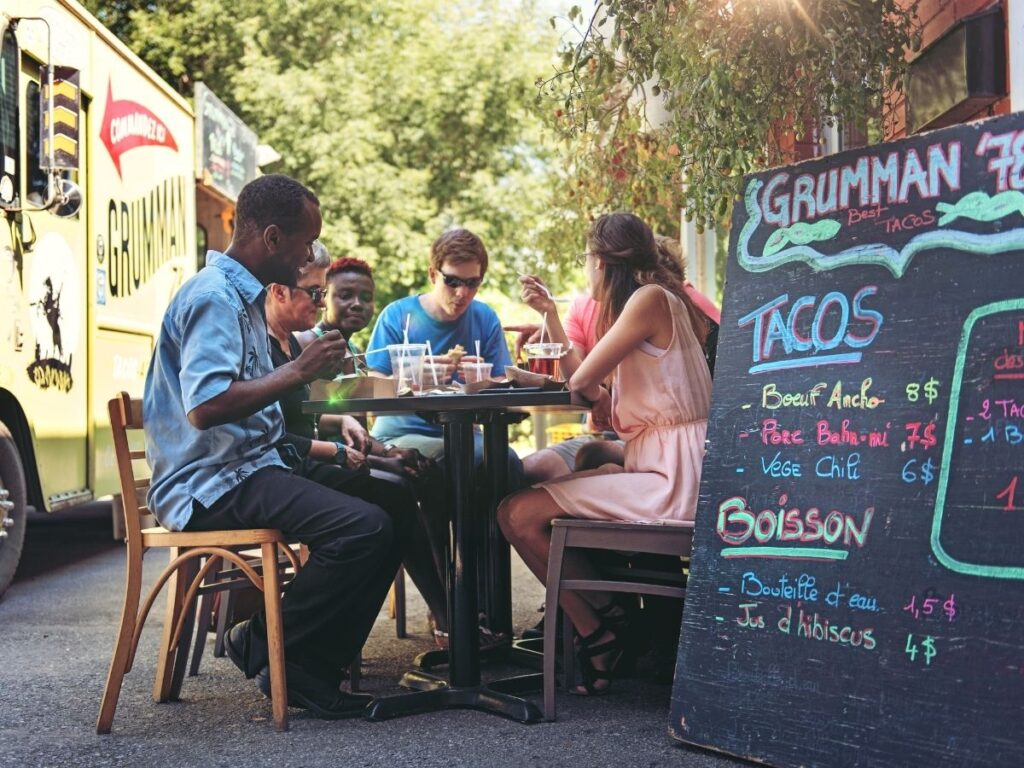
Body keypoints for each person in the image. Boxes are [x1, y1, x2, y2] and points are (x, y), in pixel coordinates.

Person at [143, 174, 398, 719]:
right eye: (307, 242)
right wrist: (299, 372)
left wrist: (325, 439)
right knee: (364, 528)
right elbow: (206, 405)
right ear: (275, 238)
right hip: (209, 485)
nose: (310, 255)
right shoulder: (215, 298)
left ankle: (290, 655)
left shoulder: (246, 299)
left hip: (248, 469)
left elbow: (260, 424)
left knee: (395, 498)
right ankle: (280, 653)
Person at [496, 212, 712, 695]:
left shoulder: (648, 300)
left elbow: (579, 383)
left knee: (515, 512)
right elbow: (597, 390)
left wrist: (560, 382)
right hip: (673, 463)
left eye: (588, 260)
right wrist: (552, 315)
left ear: (601, 261)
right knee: (591, 456)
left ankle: (601, 627)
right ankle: (609, 613)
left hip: (673, 479)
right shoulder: (661, 299)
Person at [265, 248, 450, 638]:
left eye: (366, 297)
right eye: (329, 294)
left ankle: (450, 612)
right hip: (299, 465)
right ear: (280, 292)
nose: (356, 305)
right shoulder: (304, 344)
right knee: (393, 497)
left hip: (319, 457)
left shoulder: (331, 348)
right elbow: (282, 431)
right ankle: (447, 616)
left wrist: (376, 446)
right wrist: (371, 453)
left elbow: (313, 412)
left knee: (415, 477)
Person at [363, 228, 515, 463]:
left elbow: (505, 383)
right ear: (433, 275)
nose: (462, 293)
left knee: (507, 461)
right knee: (459, 458)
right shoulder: (398, 315)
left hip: (465, 431)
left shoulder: (485, 318)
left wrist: (482, 382)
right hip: (399, 434)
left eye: (472, 283)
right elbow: (369, 387)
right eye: (452, 281)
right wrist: (411, 379)